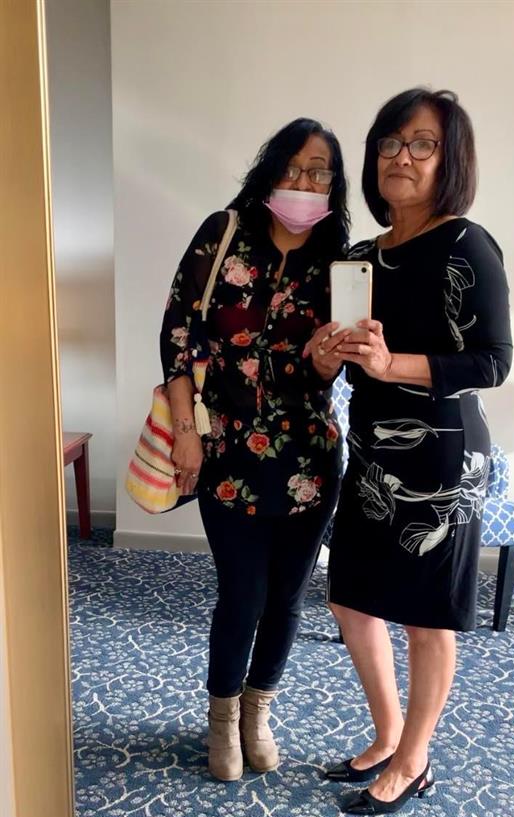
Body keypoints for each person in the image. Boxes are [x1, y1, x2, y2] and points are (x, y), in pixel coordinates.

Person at [304, 89, 513, 815]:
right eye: (390, 142)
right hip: (371, 451)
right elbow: (350, 360)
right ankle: (389, 733)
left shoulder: (466, 244)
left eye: (420, 143)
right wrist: (330, 358)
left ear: (447, 158)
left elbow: (492, 362)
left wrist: (395, 365)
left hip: (441, 456)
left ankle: (415, 758)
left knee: (426, 616)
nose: (401, 156)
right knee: (349, 599)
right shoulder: (360, 257)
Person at [160, 118, 349, 781]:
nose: (304, 182)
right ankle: (220, 717)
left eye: (319, 171)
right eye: (293, 167)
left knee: (288, 597)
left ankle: (256, 711)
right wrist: (185, 428)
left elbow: (337, 366)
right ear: (269, 170)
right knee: (240, 593)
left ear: (335, 184)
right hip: (227, 452)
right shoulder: (223, 234)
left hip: (308, 456)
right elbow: (178, 331)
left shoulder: (342, 261)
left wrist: (328, 364)